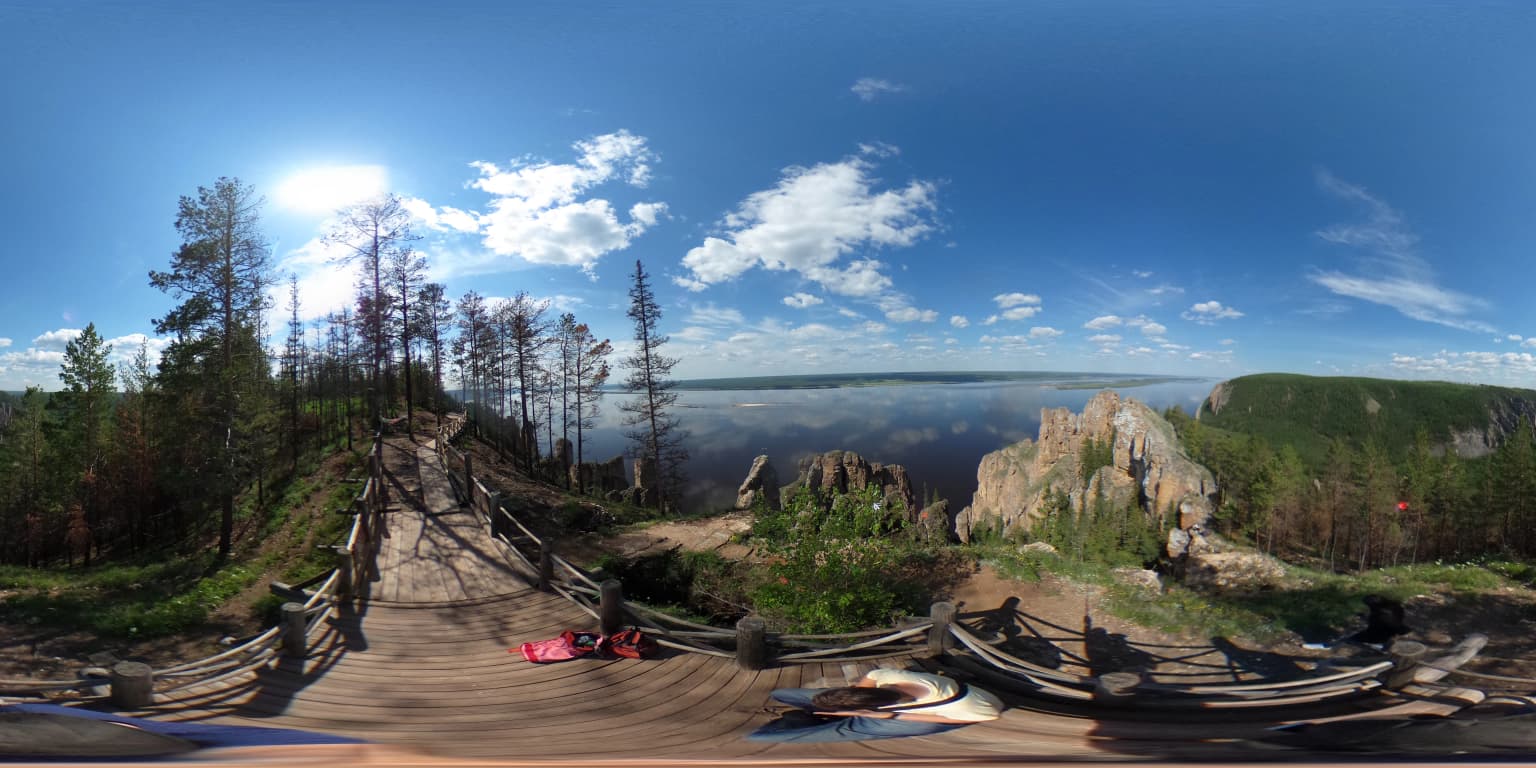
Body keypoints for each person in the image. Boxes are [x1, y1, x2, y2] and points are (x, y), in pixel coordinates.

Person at [748, 668, 1003, 743]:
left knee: (851, 727)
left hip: (934, 715)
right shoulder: (885, 677)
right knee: (782, 692)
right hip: (876, 703)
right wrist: (849, 699)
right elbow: (869, 677)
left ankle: (768, 734)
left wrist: (892, 718)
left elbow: (955, 720)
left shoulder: (972, 709)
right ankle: (819, 709)